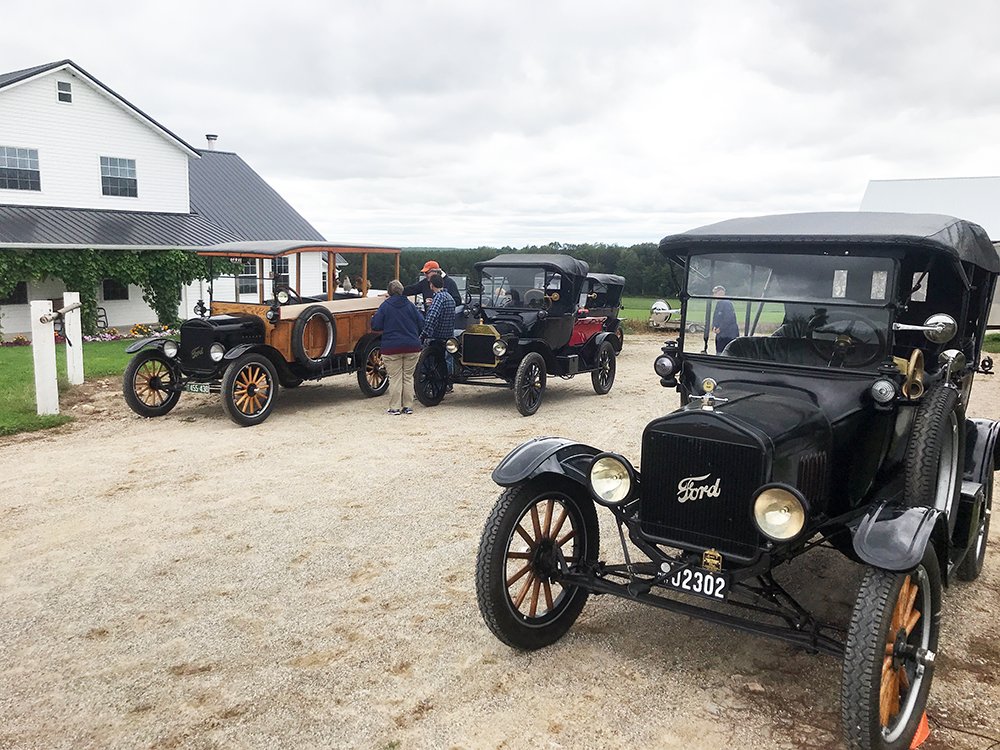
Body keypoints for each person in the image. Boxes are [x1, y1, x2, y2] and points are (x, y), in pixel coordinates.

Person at [371, 280, 424, 415]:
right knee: (408, 377)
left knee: (395, 377)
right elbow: (421, 323)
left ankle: (395, 407)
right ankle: (408, 406)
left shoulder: (385, 306)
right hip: (412, 346)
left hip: (391, 347)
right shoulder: (411, 305)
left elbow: (376, 325)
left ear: (389, 292)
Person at [711, 285, 739, 354]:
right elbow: (716, 317)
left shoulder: (727, 304)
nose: (714, 295)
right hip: (721, 334)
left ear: (721, 293)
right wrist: (714, 326)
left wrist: (720, 328)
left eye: (716, 293)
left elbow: (728, 318)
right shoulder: (719, 304)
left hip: (728, 334)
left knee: (724, 352)